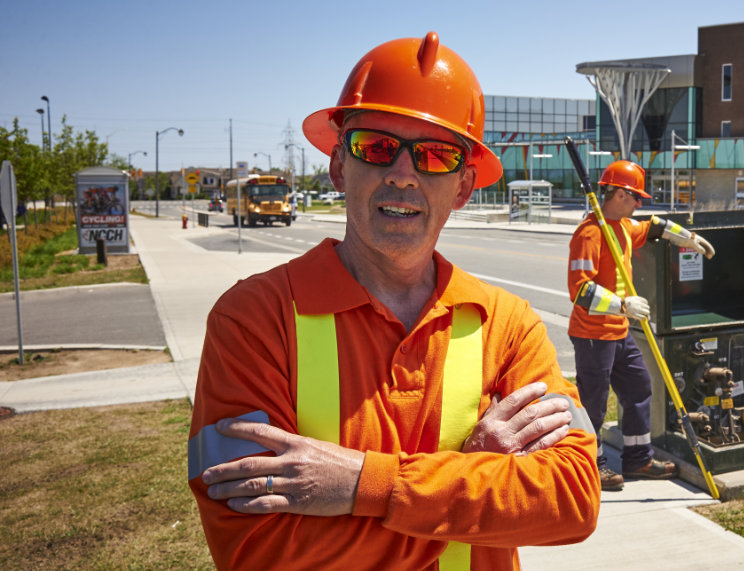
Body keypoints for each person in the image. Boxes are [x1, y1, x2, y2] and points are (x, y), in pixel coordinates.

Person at [186, 32, 600, 570]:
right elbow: (258, 551)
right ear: (339, 167)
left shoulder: (507, 326)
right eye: (376, 147)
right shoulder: (252, 321)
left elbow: (571, 500)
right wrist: (471, 473)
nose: (403, 175)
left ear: (463, 188)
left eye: (434, 155)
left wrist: (363, 485)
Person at [567, 160, 715, 490]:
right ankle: (594, 466)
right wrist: (622, 305)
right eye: (636, 198)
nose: (640, 204)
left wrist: (688, 238)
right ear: (619, 194)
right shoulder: (590, 234)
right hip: (593, 334)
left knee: (638, 387)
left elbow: (654, 226)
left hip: (619, 331)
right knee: (593, 402)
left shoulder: (621, 226)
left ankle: (638, 459)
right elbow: (579, 289)